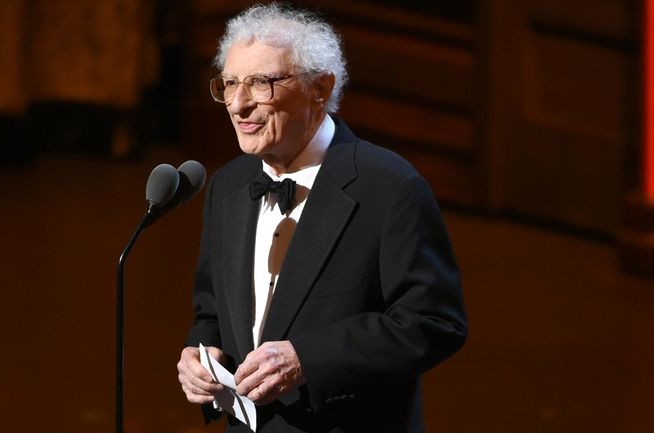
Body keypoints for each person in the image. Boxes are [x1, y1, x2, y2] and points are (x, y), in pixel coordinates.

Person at [176, 4, 467, 432]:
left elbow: (434, 323)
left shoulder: (390, 187)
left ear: (320, 88)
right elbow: (212, 312)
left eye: (261, 83)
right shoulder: (228, 187)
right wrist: (200, 354)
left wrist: (306, 361)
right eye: (231, 83)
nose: (238, 105)